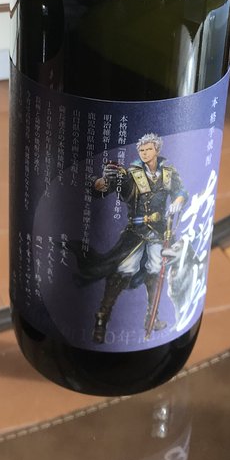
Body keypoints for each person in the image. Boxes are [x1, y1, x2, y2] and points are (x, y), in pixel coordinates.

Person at [85, 133, 187, 344]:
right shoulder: (131, 173)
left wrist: (178, 200)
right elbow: (108, 187)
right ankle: (102, 317)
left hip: (159, 231)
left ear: (157, 150)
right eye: (142, 150)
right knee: (124, 270)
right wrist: (100, 184)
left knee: (156, 269)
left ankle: (152, 317)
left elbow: (181, 190)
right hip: (136, 231)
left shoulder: (167, 172)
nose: (144, 153)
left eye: (148, 149)